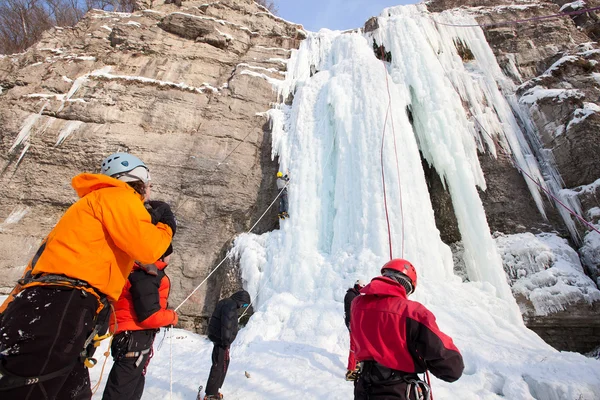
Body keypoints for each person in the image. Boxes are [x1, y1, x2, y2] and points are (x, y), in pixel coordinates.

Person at [0, 152, 175, 399]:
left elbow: (35, 266)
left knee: (72, 392)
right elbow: (147, 248)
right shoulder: (117, 195)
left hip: (49, 303)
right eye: (148, 187)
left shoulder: (90, 206)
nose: (149, 194)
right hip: (63, 304)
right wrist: (166, 223)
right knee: (32, 390)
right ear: (140, 182)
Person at [350, 259, 464, 400]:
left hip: (364, 388)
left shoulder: (357, 305)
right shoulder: (413, 312)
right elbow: (452, 368)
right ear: (407, 285)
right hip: (397, 391)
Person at [102, 202, 178, 400]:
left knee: (130, 388)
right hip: (133, 339)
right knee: (121, 392)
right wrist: (171, 316)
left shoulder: (140, 271)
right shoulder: (146, 274)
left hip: (131, 339)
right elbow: (149, 316)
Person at [203, 290, 251, 400]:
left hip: (218, 339)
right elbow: (227, 326)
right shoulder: (231, 306)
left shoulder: (226, 302)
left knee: (222, 364)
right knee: (218, 366)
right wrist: (226, 342)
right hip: (222, 342)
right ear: (240, 300)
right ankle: (211, 394)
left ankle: (214, 390)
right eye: (244, 304)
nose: (243, 306)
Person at [344, 279, 366, 381]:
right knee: (353, 346)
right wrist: (351, 324)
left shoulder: (354, 295)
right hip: (353, 323)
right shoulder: (351, 296)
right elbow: (350, 312)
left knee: (358, 344)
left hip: (355, 323)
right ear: (357, 286)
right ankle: (350, 370)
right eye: (361, 288)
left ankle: (355, 364)